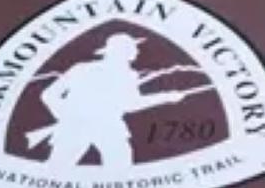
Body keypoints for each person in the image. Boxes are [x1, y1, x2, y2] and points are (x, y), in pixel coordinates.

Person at [35, 33, 188, 170]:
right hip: (82, 127)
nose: (136, 51)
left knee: (121, 172)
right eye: (131, 48)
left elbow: (130, 104)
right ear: (120, 51)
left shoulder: (126, 74)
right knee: (56, 172)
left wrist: (166, 97)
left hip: (107, 127)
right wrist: (67, 116)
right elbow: (132, 104)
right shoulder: (83, 69)